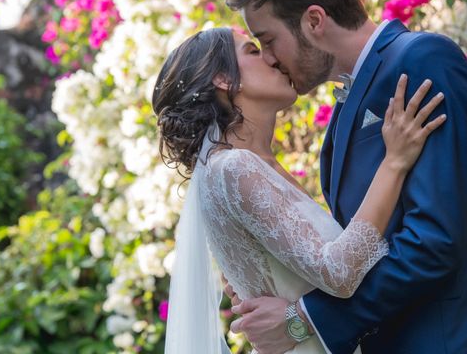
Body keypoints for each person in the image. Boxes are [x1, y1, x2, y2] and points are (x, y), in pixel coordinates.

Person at [222, 0, 467, 354]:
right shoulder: (343, 114)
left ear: (314, 21)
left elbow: (433, 242)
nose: (269, 57)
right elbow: (355, 247)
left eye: (268, 39)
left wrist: (305, 320)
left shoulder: (422, 61)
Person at [152, 27, 446, 353]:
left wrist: (295, 315)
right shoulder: (233, 169)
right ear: (223, 79)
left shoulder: (250, 167)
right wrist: (394, 162)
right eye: (252, 50)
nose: (271, 59)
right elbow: (339, 271)